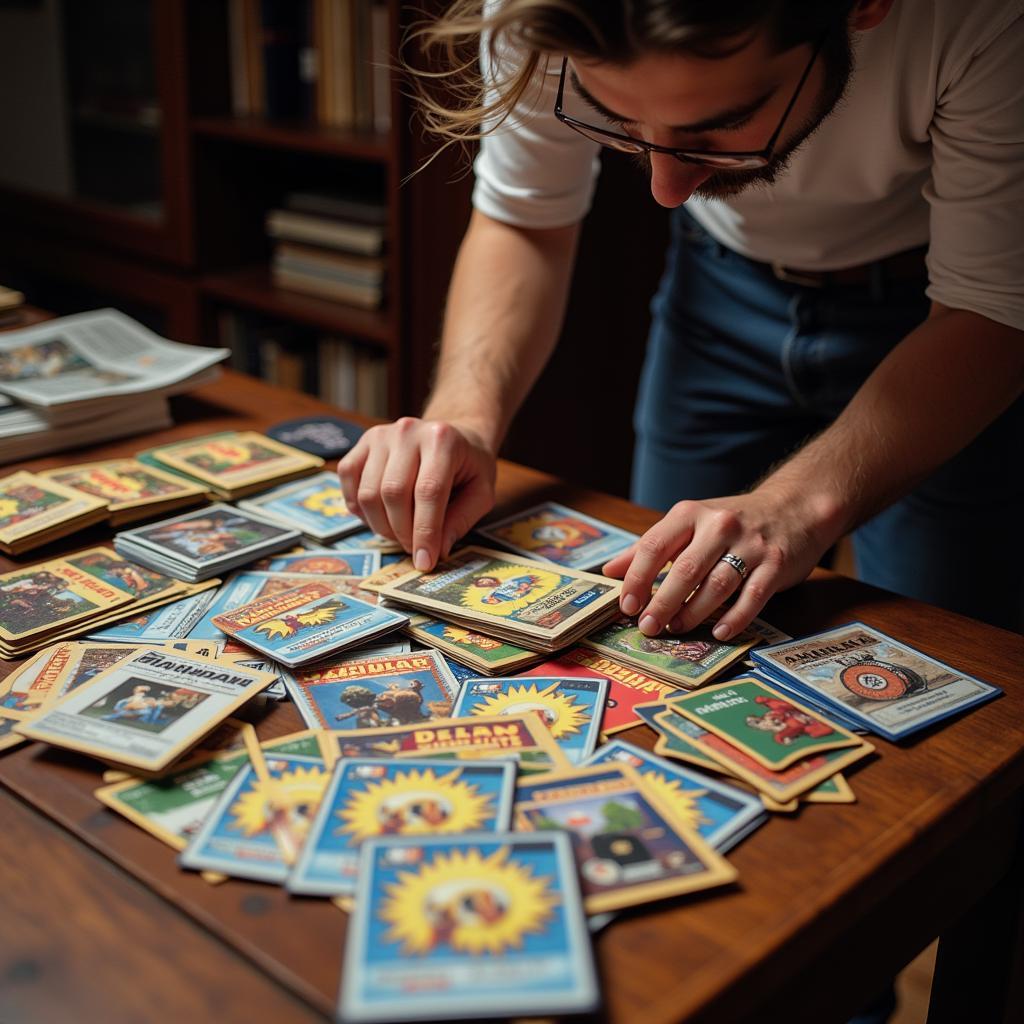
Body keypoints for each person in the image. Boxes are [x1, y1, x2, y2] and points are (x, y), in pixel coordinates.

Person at [338, 0, 1024, 657]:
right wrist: (465, 419)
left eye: (719, 127)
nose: (666, 188)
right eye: (619, 117)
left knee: (944, 645)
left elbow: (994, 301)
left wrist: (796, 505)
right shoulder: (544, 7)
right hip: (716, 288)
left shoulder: (986, 17)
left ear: (862, 6)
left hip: (947, 319)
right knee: (656, 612)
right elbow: (523, 218)